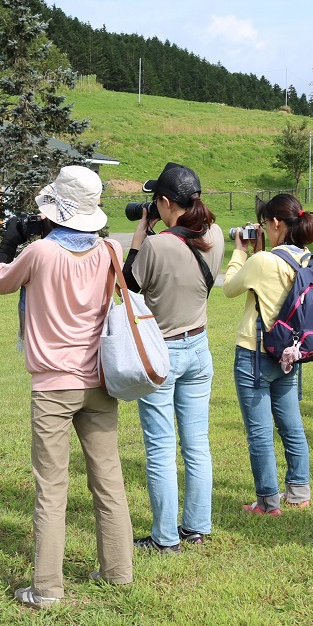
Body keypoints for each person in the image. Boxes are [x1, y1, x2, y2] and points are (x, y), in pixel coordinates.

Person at [0, 165, 134, 608]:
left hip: (53, 385)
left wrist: (9, 241)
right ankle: (118, 570)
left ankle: (47, 587)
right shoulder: (111, 249)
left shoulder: (41, 253)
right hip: (100, 380)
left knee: (52, 487)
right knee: (108, 480)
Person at [122, 162, 225, 552]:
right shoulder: (214, 235)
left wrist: (139, 236)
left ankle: (165, 537)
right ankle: (196, 526)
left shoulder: (158, 244)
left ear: (166, 202)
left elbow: (128, 286)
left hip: (162, 354)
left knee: (162, 447)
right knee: (197, 443)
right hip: (199, 347)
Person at [221, 193, 313, 515]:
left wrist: (239, 251)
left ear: (275, 223)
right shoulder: (307, 258)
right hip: (290, 353)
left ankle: (267, 502)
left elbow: (230, 287)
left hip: (256, 351)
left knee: (260, 433)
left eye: (265, 222)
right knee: (291, 425)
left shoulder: (262, 261)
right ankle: (299, 491)